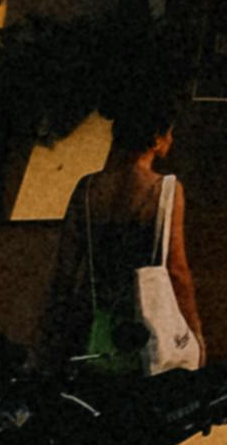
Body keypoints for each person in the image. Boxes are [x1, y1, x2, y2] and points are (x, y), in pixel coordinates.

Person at [45, 105, 203, 380]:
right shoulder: (166, 191)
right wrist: (194, 330)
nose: (172, 141)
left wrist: (51, 333)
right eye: (169, 134)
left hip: (92, 321)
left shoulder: (88, 188)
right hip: (142, 327)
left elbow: (65, 269)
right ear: (155, 140)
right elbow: (177, 269)